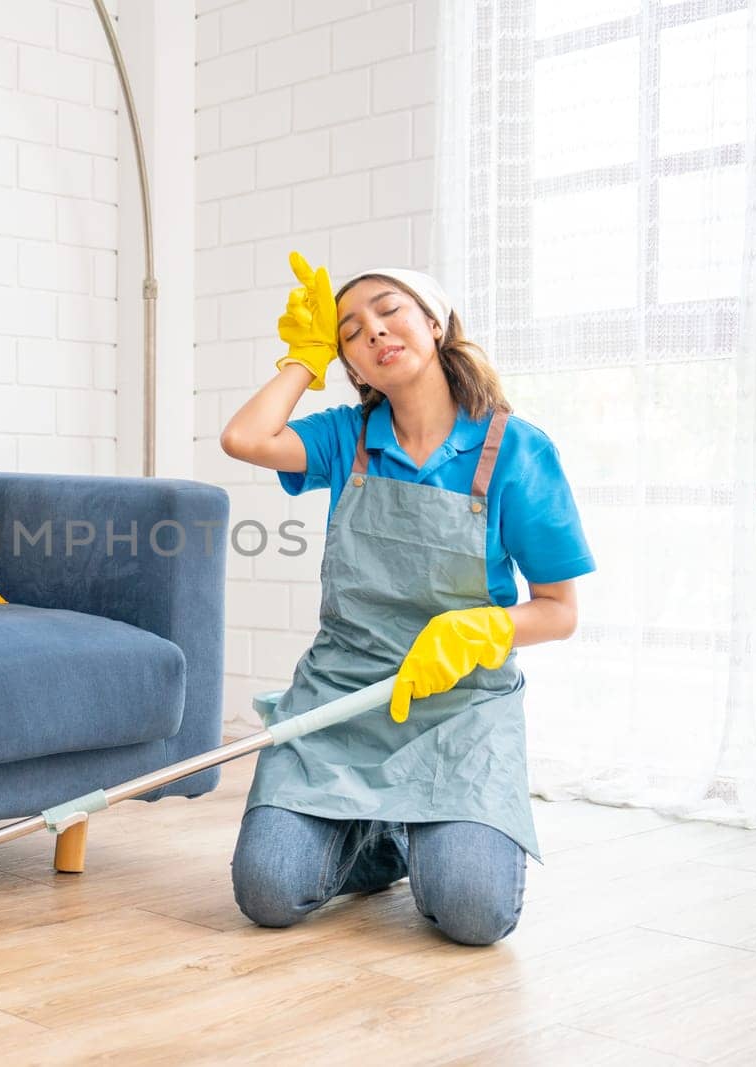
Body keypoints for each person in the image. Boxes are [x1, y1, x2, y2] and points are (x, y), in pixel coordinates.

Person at [217, 253, 596, 946]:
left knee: (473, 913)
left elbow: (560, 609)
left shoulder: (517, 449)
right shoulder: (346, 436)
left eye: (389, 310)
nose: (375, 332)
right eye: (351, 332)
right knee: (266, 890)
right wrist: (304, 360)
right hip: (341, 702)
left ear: (434, 321)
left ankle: (424, 827)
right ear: (353, 366)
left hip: (458, 711)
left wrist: (479, 631)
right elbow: (245, 438)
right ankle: (387, 835)